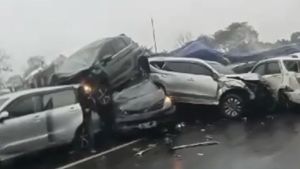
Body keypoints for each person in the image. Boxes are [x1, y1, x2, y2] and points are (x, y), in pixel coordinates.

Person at [76, 84, 97, 154]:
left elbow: (92, 105)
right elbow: (93, 106)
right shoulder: (86, 97)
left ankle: (79, 148)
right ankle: (90, 148)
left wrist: (89, 108)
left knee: (81, 133)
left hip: (80, 117)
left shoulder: (80, 98)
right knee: (89, 132)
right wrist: (89, 109)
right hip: (85, 117)